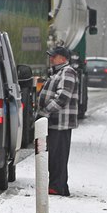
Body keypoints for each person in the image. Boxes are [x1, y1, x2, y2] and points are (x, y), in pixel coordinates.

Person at [38, 45, 79, 197]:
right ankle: (59, 186)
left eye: (53, 56)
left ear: (63, 58)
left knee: (58, 156)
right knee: (55, 155)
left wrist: (45, 111)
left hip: (61, 122)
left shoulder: (67, 72)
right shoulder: (59, 72)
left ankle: (57, 187)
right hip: (56, 122)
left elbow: (63, 97)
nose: (51, 59)